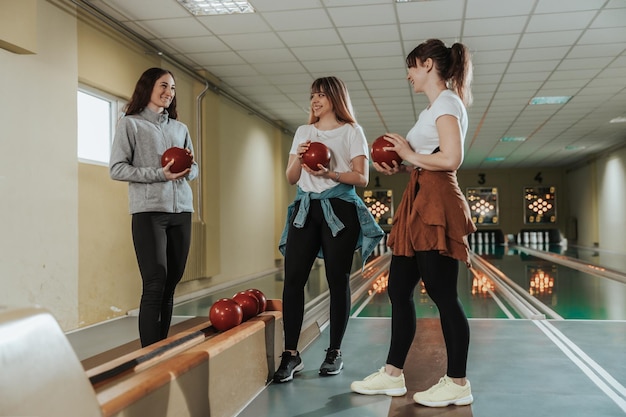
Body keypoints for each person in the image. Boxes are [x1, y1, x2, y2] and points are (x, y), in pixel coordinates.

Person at [350, 39, 477, 407]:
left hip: (436, 200)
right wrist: (399, 164)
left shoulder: (448, 102)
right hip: (418, 196)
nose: (408, 75)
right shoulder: (432, 109)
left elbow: (451, 158)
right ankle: (392, 375)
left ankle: (457, 381)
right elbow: (427, 157)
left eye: (411, 67)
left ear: (426, 65)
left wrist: (408, 153)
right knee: (398, 289)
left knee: (443, 295)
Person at [274, 76, 384, 383]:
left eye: (321, 95)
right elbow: (291, 177)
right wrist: (300, 154)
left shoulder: (352, 131)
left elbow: (361, 178)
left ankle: (334, 352)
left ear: (336, 98)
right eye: (312, 95)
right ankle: (291, 354)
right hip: (305, 210)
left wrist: (329, 172)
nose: (315, 100)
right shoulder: (303, 132)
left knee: (338, 280)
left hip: (340, 209)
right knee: (293, 279)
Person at [110, 67, 199, 347]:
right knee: (155, 282)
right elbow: (117, 169)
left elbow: (193, 169)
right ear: (147, 87)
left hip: (181, 211)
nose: (168, 93)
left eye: (172, 88)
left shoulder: (180, 128)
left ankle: (162, 348)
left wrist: (187, 170)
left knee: (171, 283)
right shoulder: (130, 124)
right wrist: (160, 174)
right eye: (163, 86)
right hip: (149, 213)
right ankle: (149, 353)